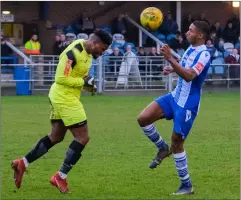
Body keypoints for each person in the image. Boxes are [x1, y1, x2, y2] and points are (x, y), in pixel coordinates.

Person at [11, 29, 112, 193]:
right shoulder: (73, 52)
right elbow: (61, 78)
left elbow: (78, 77)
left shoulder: (88, 54)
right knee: (82, 137)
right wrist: (83, 82)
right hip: (65, 98)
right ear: (95, 43)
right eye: (103, 49)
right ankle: (60, 177)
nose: (103, 53)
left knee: (56, 136)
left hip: (66, 97)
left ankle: (23, 162)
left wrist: (88, 85)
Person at [137, 21, 211, 195]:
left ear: (200, 35)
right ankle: (162, 148)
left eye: (191, 30)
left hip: (188, 104)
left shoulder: (204, 54)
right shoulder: (190, 49)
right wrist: (171, 68)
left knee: (177, 141)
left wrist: (170, 58)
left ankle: (186, 186)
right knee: (143, 118)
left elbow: (190, 75)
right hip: (174, 96)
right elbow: (184, 68)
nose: (187, 32)